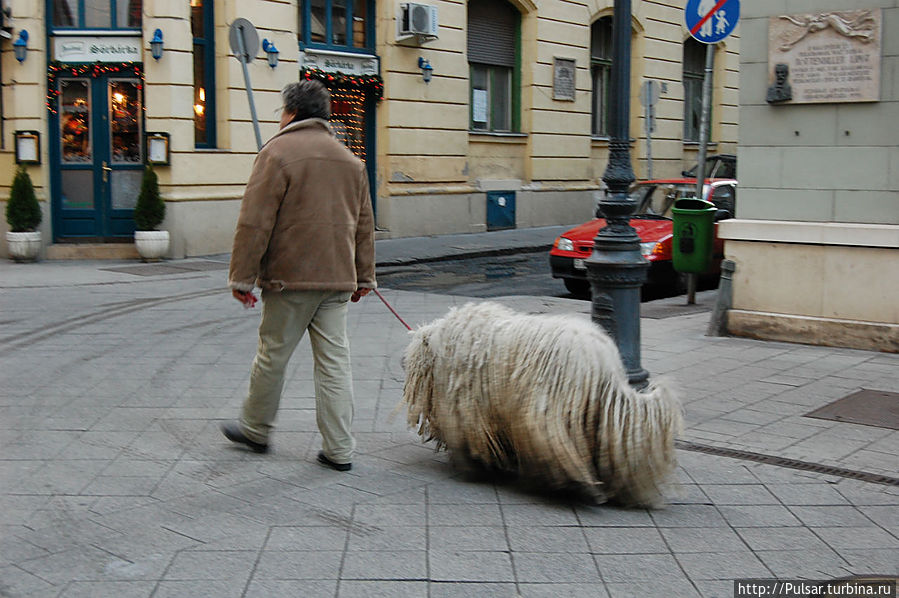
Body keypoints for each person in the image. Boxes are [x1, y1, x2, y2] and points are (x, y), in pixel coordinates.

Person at [222, 80, 376, 472]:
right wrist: (364, 277)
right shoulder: (350, 159)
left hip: (289, 280)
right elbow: (363, 225)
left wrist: (242, 277)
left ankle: (256, 429)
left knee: (273, 355)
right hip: (337, 280)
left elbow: (254, 222)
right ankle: (339, 449)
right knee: (334, 363)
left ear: (290, 112)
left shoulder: (276, 153)